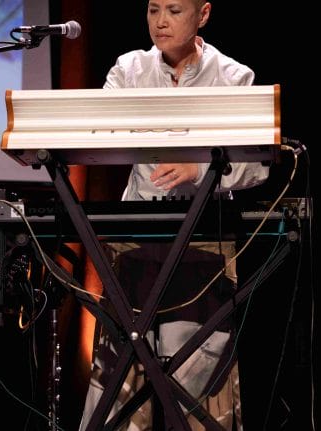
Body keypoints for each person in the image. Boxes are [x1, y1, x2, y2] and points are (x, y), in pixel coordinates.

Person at [79, 1, 269, 430]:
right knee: (121, 369)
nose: (161, 21)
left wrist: (201, 168)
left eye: (174, 11)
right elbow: (93, 130)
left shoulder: (233, 76)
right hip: (136, 234)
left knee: (200, 372)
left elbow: (259, 161)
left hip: (205, 236)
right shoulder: (128, 71)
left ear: (202, 15)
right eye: (152, 10)